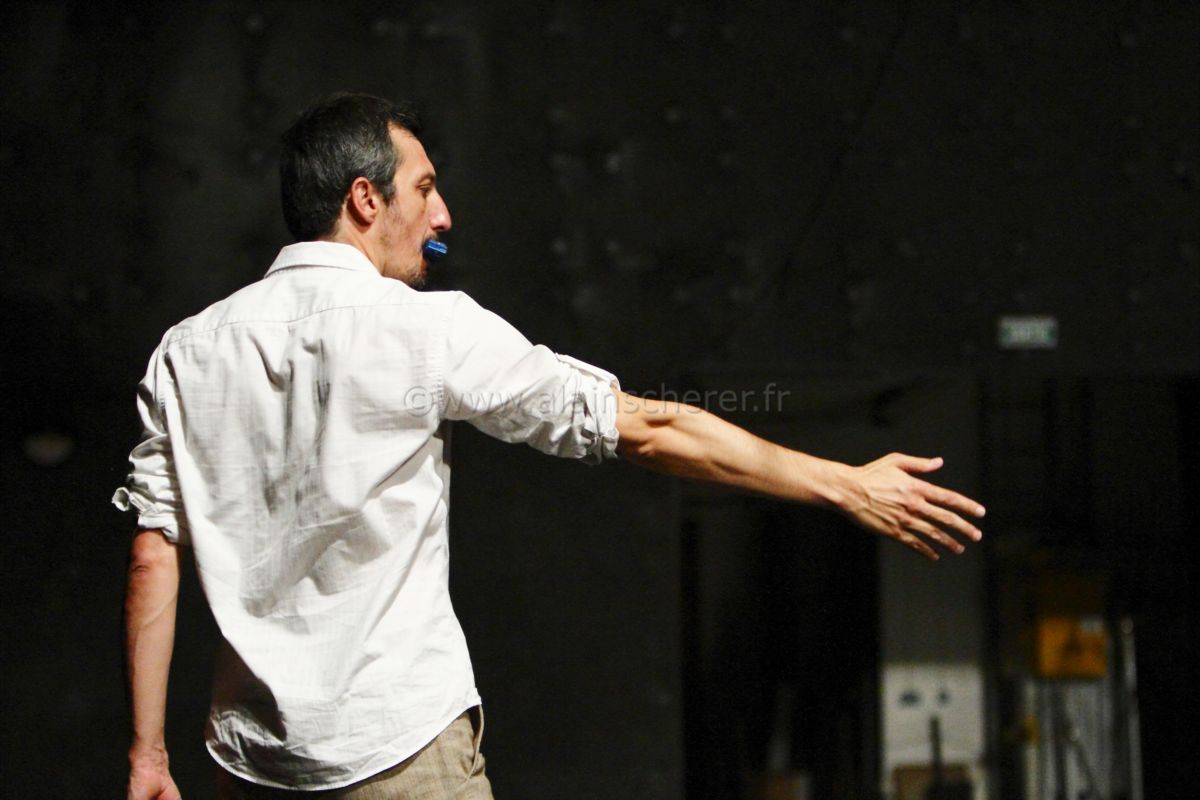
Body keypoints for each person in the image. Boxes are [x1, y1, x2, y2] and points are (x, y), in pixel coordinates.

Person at [115, 92, 985, 800]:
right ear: (365, 199)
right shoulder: (424, 331)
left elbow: (155, 555)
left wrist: (148, 753)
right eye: (425, 188)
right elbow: (649, 427)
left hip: (253, 767)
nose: (442, 213)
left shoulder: (188, 352)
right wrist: (844, 484)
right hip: (399, 753)